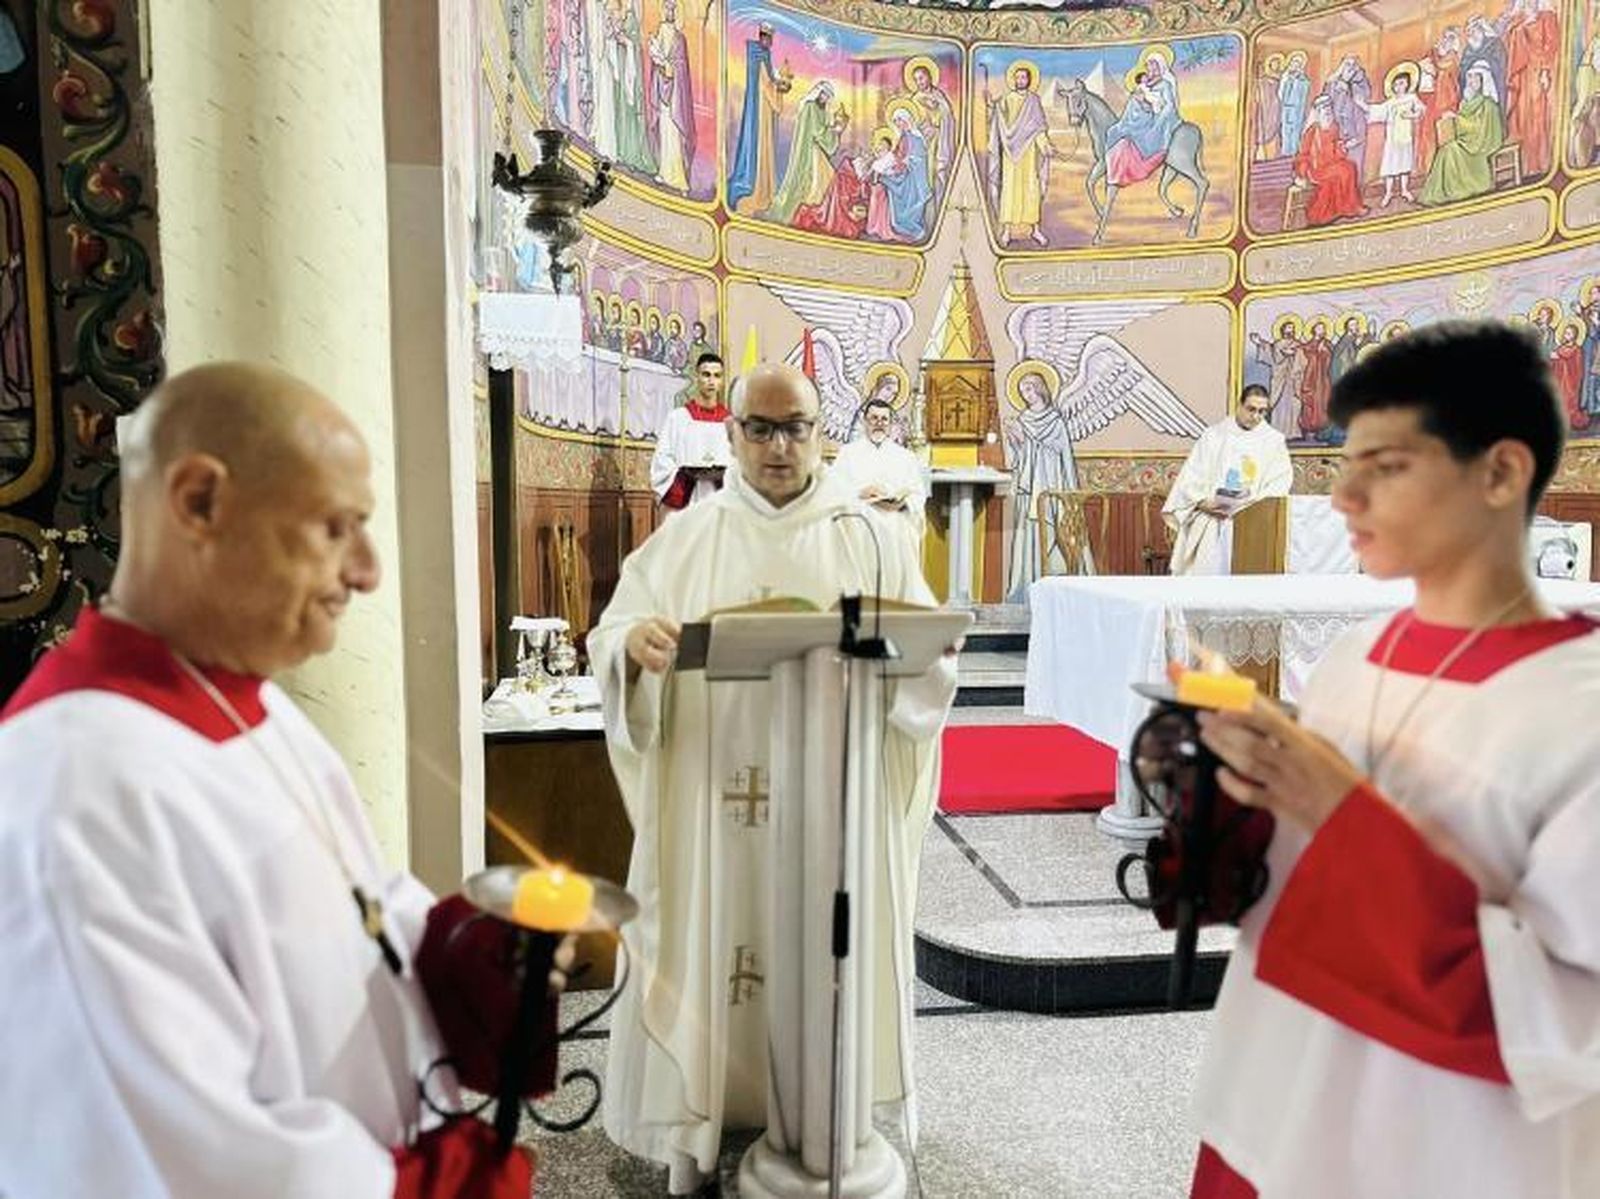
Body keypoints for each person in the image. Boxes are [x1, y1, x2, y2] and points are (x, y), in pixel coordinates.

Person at [0, 363, 565, 1198]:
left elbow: (358, 906)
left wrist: (462, 952)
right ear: (200, 501)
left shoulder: (243, 702)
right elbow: (174, 1155)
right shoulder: (79, 785)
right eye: (338, 527)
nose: (368, 570)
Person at [1188, 320, 1600, 1198]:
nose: (1343, 499)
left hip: (1441, 1151)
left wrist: (1342, 812)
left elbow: (1562, 1020)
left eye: (1387, 465)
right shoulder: (1351, 658)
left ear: (1501, 470)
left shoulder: (1582, 709)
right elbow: (1290, 901)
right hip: (1273, 1112)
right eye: (1345, 465)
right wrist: (1222, 796)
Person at [591, 363, 956, 1195]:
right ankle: (702, 1122)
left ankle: (831, 1107)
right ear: (732, 436)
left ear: (822, 431)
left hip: (835, 805)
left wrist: (931, 657)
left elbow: (925, 656)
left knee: (824, 950)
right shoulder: (688, 536)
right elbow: (614, 635)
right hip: (714, 800)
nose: (780, 446)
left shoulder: (871, 536)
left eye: (796, 427)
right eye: (761, 428)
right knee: (717, 944)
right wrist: (634, 651)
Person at [1161, 383, 1291, 575]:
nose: (1256, 416)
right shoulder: (1214, 436)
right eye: (1251, 409)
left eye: (1262, 411)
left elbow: (1279, 483)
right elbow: (1192, 475)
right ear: (1239, 405)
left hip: (1251, 523)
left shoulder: (1273, 441)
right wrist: (1201, 502)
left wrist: (1249, 507)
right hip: (1211, 519)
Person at [985, 62, 1055, 247]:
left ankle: (1035, 230)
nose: (1019, 80)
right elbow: (999, 119)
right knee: (1010, 190)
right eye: (1017, 77)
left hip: (1029, 152)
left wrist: (1045, 145)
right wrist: (991, 107)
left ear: (1029, 80)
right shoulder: (1008, 99)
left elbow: (1038, 128)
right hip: (1011, 152)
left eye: (1023, 77)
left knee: (1031, 190)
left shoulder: (1034, 101)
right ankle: (1007, 230)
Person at [833, 395, 927, 531]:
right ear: (865, 421)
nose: (879, 423)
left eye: (884, 419)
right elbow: (834, 490)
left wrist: (902, 503)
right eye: (874, 418)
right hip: (859, 525)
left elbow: (918, 495)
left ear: (890, 424)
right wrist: (859, 493)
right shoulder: (847, 454)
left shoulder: (905, 457)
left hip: (893, 526)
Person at [651, 351, 730, 511]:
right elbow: (662, 460)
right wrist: (685, 476)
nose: (711, 381)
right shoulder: (678, 418)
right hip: (688, 500)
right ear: (696, 377)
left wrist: (725, 476)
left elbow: (742, 463)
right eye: (706, 374)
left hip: (721, 503)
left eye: (717, 375)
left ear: (722, 380)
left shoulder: (731, 422)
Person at [727, 24, 793, 214]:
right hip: (760, 109)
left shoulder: (762, 54)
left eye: (770, 39)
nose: (770, 43)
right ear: (763, 38)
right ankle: (757, 192)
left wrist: (777, 84)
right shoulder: (758, 53)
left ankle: (765, 191)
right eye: (768, 39)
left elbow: (768, 79)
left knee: (765, 148)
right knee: (760, 147)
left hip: (764, 107)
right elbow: (765, 83)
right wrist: (778, 90)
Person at [1419, 61, 1505, 206]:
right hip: (1465, 141)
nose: (1471, 82)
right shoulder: (1466, 102)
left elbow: (1480, 129)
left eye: (1475, 78)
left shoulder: (1488, 104)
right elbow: (1463, 122)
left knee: (1451, 151)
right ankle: (1444, 191)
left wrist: (1456, 119)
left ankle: (1459, 190)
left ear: (1483, 81)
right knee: (1446, 149)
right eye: (1470, 78)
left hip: (1480, 143)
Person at [1293, 95, 1367, 226]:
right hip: (1316, 170)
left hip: (1331, 165)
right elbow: (1303, 154)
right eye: (1324, 110)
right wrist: (1302, 173)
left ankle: (1349, 207)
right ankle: (1322, 215)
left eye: (1329, 109)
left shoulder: (1334, 127)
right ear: (1318, 113)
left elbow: (1336, 150)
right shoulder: (1311, 132)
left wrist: (1345, 146)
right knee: (1341, 172)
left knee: (1350, 167)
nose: (1327, 112)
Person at [647, 0, 695, 192]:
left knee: (674, 135)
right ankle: (664, 172)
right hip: (662, 90)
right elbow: (656, 60)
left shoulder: (679, 38)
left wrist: (670, 67)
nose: (669, 12)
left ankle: (678, 178)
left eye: (672, 9)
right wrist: (659, 62)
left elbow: (681, 65)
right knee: (664, 131)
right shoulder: (659, 31)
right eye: (666, 8)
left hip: (675, 95)